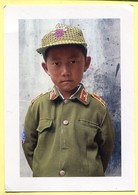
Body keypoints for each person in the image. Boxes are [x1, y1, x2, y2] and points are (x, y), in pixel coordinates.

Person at [22, 23, 114, 177]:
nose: (65, 72)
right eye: (56, 63)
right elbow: (29, 148)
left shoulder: (98, 108)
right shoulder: (37, 107)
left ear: (86, 63)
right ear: (46, 68)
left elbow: (105, 151)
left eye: (73, 62)